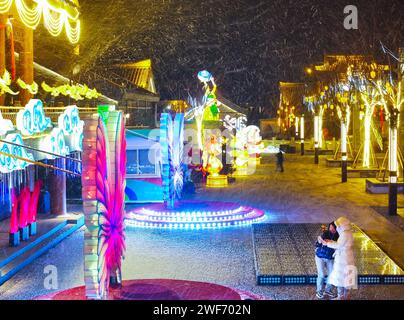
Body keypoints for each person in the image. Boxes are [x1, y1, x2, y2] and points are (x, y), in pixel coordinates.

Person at [321, 216, 356, 300]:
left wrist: (327, 244)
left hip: (343, 259)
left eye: (338, 226)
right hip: (348, 257)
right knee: (346, 280)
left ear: (341, 225)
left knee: (340, 279)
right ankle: (345, 296)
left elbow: (339, 245)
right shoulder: (349, 233)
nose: (337, 227)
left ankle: (341, 297)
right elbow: (341, 244)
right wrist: (332, 242)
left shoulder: (344, 234)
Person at [315, 222, 339, 299]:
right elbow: (317, 244)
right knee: (321, 274)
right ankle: (319, 290)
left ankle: (328, 290)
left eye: (333, 228)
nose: (331, 229)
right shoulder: (325, 233)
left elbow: (339, 246)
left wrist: (332, 244)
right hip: (320, 257)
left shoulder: (339, 236)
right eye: (330, 227)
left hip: (330, 258)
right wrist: (319, 241)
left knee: (331, 274)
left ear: (336, 228)